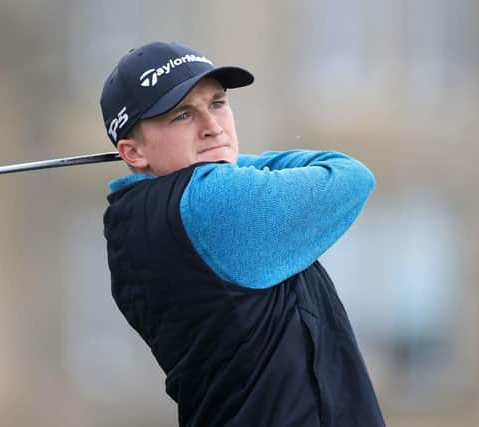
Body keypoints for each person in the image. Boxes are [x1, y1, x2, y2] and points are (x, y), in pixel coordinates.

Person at [100, 41, 386, 427]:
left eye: (217, 103)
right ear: (133, 153)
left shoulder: (131, 220)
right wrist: (228, 164)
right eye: (183, 115)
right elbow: (349, 175)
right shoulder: (214, 204)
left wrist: (217, 163)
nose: (213, 128)